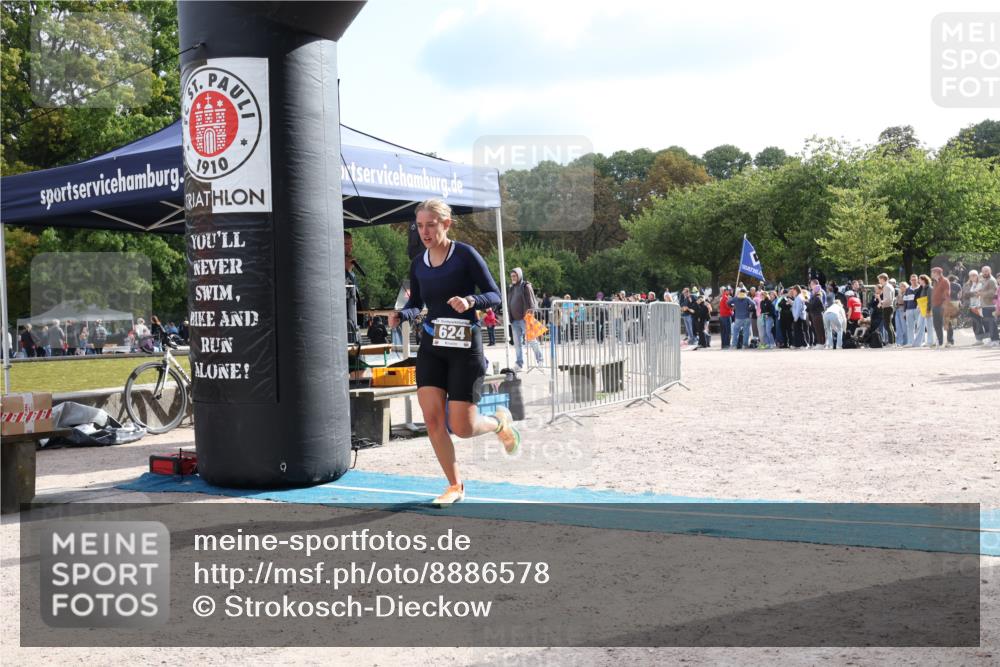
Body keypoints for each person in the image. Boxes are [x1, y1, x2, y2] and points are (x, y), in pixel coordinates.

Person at [388, 199, 517, 506]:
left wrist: (471, 301)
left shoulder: (465, 255)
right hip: (432, 345)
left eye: (430, 225)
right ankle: (454, 485)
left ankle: (499, 424)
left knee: (462, 427)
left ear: (446, 224)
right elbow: (416, 303)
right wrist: (402, 316)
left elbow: (495, 295)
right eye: (419, 226)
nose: (424, 232)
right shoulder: (419, 262)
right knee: (433, 420)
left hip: (464, 347)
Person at [507, 267, 544, 369]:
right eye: (511, 276)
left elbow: (532, 303)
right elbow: (509, 302)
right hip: (514, 321)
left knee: (532, 341)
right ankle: (519, 363)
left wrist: (529, 316)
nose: (513, 278)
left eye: (515, 276)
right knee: (517, 344)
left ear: (519, 275)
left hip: (525, 319)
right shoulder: (511, 288)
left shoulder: (526, 286)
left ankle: (540, 360)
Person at [929, 267, 950, 348]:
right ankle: (940, 342)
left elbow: (947, 294)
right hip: (935, 306)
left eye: (932, 272)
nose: (931, 274)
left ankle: (949, 341)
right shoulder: (935, 282)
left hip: (942, 306)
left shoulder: (945, 281)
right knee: (936, 325)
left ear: (937, 273)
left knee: (946, 325)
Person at [980, 265, 999, 346]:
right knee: (988, 323)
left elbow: (993, 292)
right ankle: (992, 339)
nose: (985, 273)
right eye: (983, 271)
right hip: (985, 305)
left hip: (991, 305)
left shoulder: (991, 280)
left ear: (990, 271)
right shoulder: (984, 280)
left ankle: (996, 340)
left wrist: (982, 294)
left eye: (986, 271)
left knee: (992, 323)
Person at [963, 270, 984, 344]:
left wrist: (976, 293)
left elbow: (983, 292)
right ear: (969, 277)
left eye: (974, 275)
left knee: (983, 322)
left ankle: (986, 338)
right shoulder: (967, 284)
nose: (973, 277)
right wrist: (975, 293)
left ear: (977, 275)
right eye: (971, 275)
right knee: (975, 323)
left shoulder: (981, 283)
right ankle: (979, 339)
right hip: (971, 306)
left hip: (980, 306)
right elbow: (965, 294)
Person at [877, 273, 896, 344]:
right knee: (889, 325)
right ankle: (893, 342)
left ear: (882, 279)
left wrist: (881, 302)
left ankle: (891, 342)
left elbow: (888, 299)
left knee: (887, 325)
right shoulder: (889, 286)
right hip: (889, 307)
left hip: (887, 307)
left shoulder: (886, 287)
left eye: (879, 279)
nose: (879, 281)